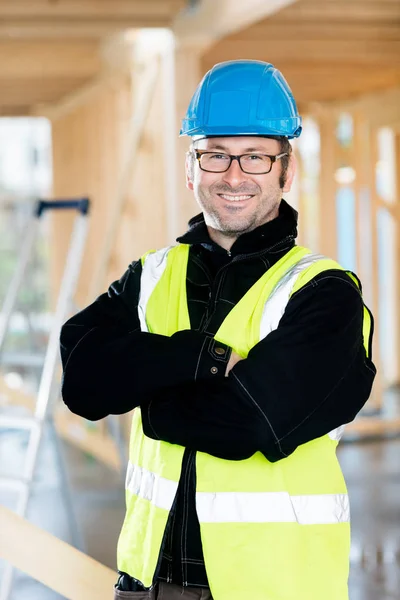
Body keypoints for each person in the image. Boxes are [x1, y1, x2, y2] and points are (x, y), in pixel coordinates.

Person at [60, 60, 376, 600]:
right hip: (147, 584)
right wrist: (201, 360)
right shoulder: (151, 276)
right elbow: (83, 385)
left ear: (286, 170)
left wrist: (145, 393)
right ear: (192, 168)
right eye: (216, 155)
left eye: (254, 156)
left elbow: (249, 423)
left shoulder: (325, 294)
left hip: (274, 588)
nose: (233, 176)